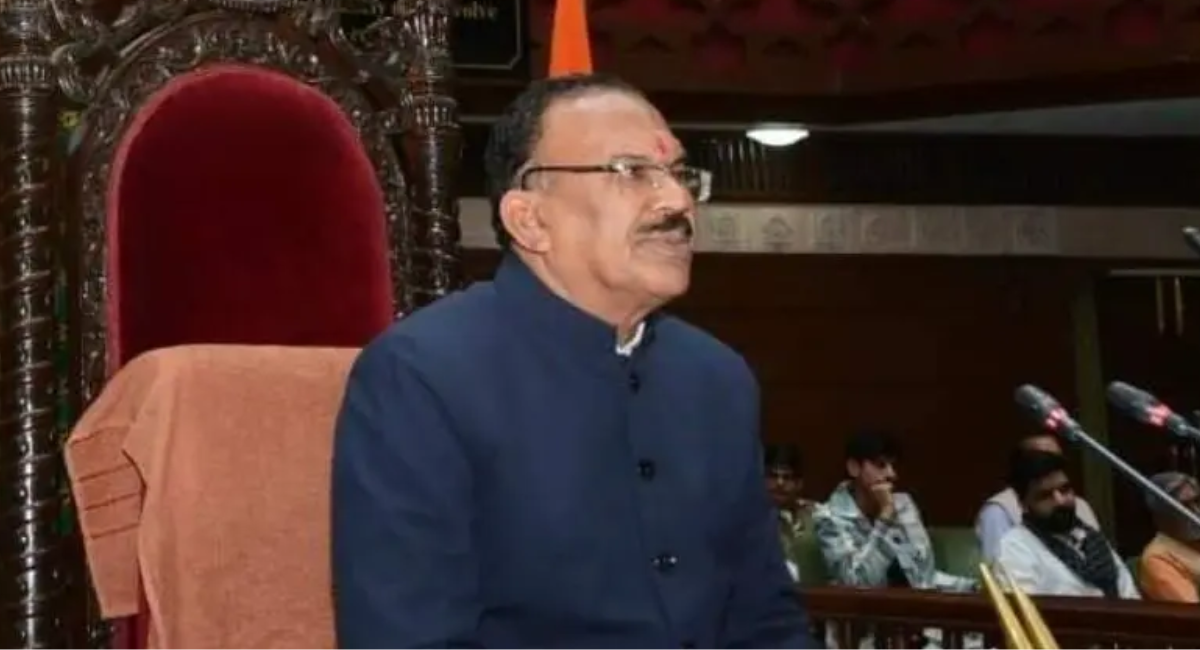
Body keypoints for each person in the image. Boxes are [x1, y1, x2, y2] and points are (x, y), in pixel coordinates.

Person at [331, 73, 817, 648]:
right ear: (530, 220)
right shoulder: (421, 376)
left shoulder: (717, 378)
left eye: (681, 174)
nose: (678, 200)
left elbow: (765, 619)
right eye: (631, 171)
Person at [812, 430, 976, 592]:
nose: (891, 474)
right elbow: (857, 583)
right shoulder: (829, 517)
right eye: (881, 465)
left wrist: (972, 587)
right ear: (854, 467)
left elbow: (923, 577)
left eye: (892, 465)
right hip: (865, 608)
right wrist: (885, 518)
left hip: (917, 605)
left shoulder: (903, 504)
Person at [994, 450, 1138, 599]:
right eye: (1045, 495)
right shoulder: (1015, 547)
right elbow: (1025, 608)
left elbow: (1130, 597)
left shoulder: (1092, 539)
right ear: (1023, 504)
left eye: (1065, 490)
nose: (1060, 501)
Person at [975, 431, 1100, 562]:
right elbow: (998, 566)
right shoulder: (998, 510)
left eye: (1056, 459)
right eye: (1043, 459)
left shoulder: (1080, 505)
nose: (1051, 465)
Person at [1138, 471, 1200, 603]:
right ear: (1162, 515)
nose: (1197, 512)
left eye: (1197, 502)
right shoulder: (1157, 558)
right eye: (1185, 506)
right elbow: (1191, 611)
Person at [765, 444, 816, 581]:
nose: (780, 483)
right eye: (773, 476)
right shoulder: (750, 520)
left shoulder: (816, 516)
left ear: (799, 483)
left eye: (787, 477)